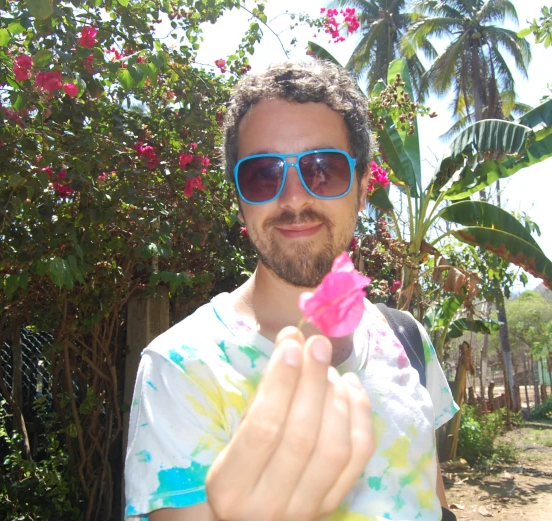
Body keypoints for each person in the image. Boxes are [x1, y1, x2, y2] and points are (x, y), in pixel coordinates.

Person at [124, 60, 459, 521]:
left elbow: (433, 496)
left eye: (324, 170)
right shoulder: (179, 369)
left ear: (363, 188)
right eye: (263, 174)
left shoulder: (406, 337)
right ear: (239, 198)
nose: (295, 198)